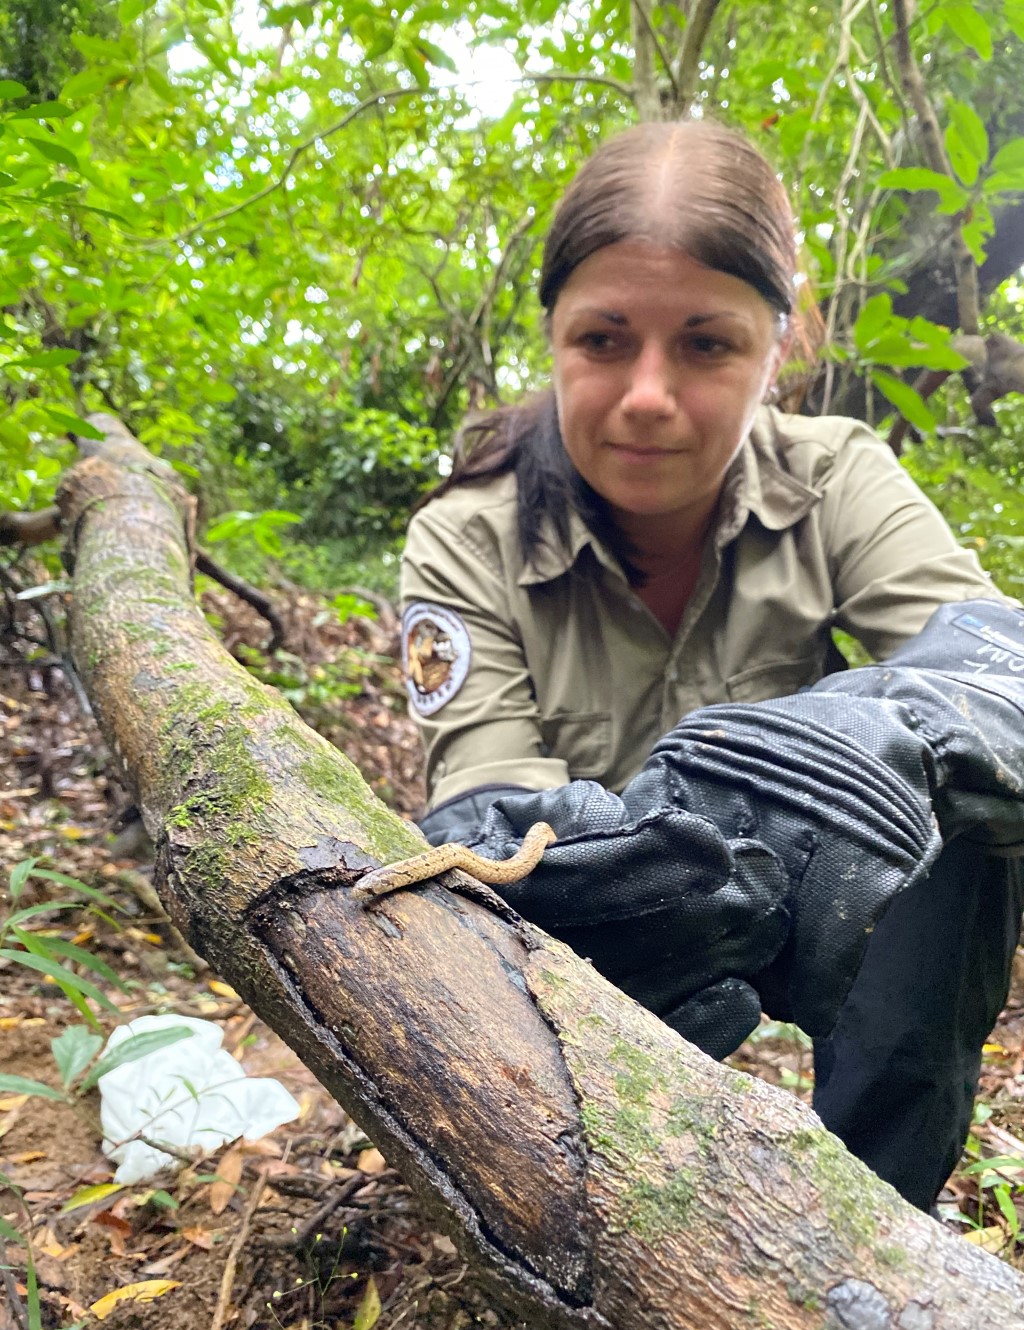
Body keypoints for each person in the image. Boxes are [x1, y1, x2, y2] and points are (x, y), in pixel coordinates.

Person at [398, 120, 1024, 1212]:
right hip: (590, 917)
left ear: (778, 351)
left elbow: (997, 659)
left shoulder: (836, 478)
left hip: (797, 898)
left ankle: (876, 1197)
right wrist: (637, 854)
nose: (647, 394)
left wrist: (862, 756)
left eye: (704, 343)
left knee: (960, 806)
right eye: (604, 340)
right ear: (550, 336)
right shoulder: (468, 531)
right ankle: (564, 1188)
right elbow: (481, 805)